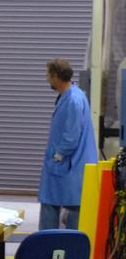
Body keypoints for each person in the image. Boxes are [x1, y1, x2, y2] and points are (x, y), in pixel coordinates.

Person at [39, 58, 99, 230]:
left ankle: (49, 246)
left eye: (48, 75)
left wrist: (58, 155)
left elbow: (71, 137)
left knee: (55, 207)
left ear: (56, 76)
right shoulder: (74, 95)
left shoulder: (72, 100)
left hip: (68, 164)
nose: (47, 79)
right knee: (68, 206)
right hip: (69, 165)